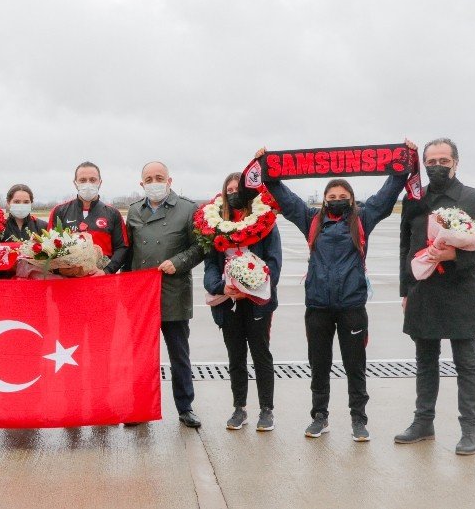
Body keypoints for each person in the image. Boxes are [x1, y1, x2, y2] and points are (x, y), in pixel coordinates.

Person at [257, 140, 416, 442]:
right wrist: (269, 168)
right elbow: (286, 199)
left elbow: (386, 196)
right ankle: (320, 416)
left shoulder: (362, 219)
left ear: (352, 199)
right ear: (325, 199)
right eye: (332, 196)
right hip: (317, 306)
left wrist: (401, 165)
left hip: (352, 306)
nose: (337, 199)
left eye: (343, 196)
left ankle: (359, 418)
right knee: (319, 365)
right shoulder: (312, 220)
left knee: (355, 365)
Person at [395, 138, 475, 455]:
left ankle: (470, 430)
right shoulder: (414, 199)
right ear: (424, 164)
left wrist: (454, 256)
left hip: (460, 293)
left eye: (443, 160)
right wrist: (405, 290)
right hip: (422, 291)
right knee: (425, 362)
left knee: (465, 364)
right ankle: (423, 422)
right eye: (431, 161)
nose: (437, 166)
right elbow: (406, 247)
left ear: (456, 162)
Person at [124, 162, 204, 428]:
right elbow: (129, 253)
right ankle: (139, 408)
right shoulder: (135, 211)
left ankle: (185, 407)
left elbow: (200, 248)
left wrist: (178, 262)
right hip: (141, 297)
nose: (154, 182)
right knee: (141, 356)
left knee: (179, 355)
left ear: (169, 180)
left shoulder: (188, 208)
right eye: (149, 178)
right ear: (141, 184)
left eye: (159, 177)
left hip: (174, 293)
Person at [203, 173, 282, 432]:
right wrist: (221, 287)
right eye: (230, 189)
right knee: (235, 357)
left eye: (239, 189)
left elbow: (274, 262)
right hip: (229, 301)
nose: (235, 193)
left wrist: (252, 286)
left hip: (257, 301)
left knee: (261, 355)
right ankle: (239, 408)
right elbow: (210, 267)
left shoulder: (266, 221)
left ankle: (266, 410)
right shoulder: (215, 224)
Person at [48, 161, 129, 275]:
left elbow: (122, 248)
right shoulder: (59, 211)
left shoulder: (113, 213)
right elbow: (49, 246)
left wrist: (106, 271)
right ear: (75, 183)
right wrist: (59, 269)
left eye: (92, 180)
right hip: (67, 281)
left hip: (101, 281)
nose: (88, 184)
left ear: (100, 182)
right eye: (82, 180)